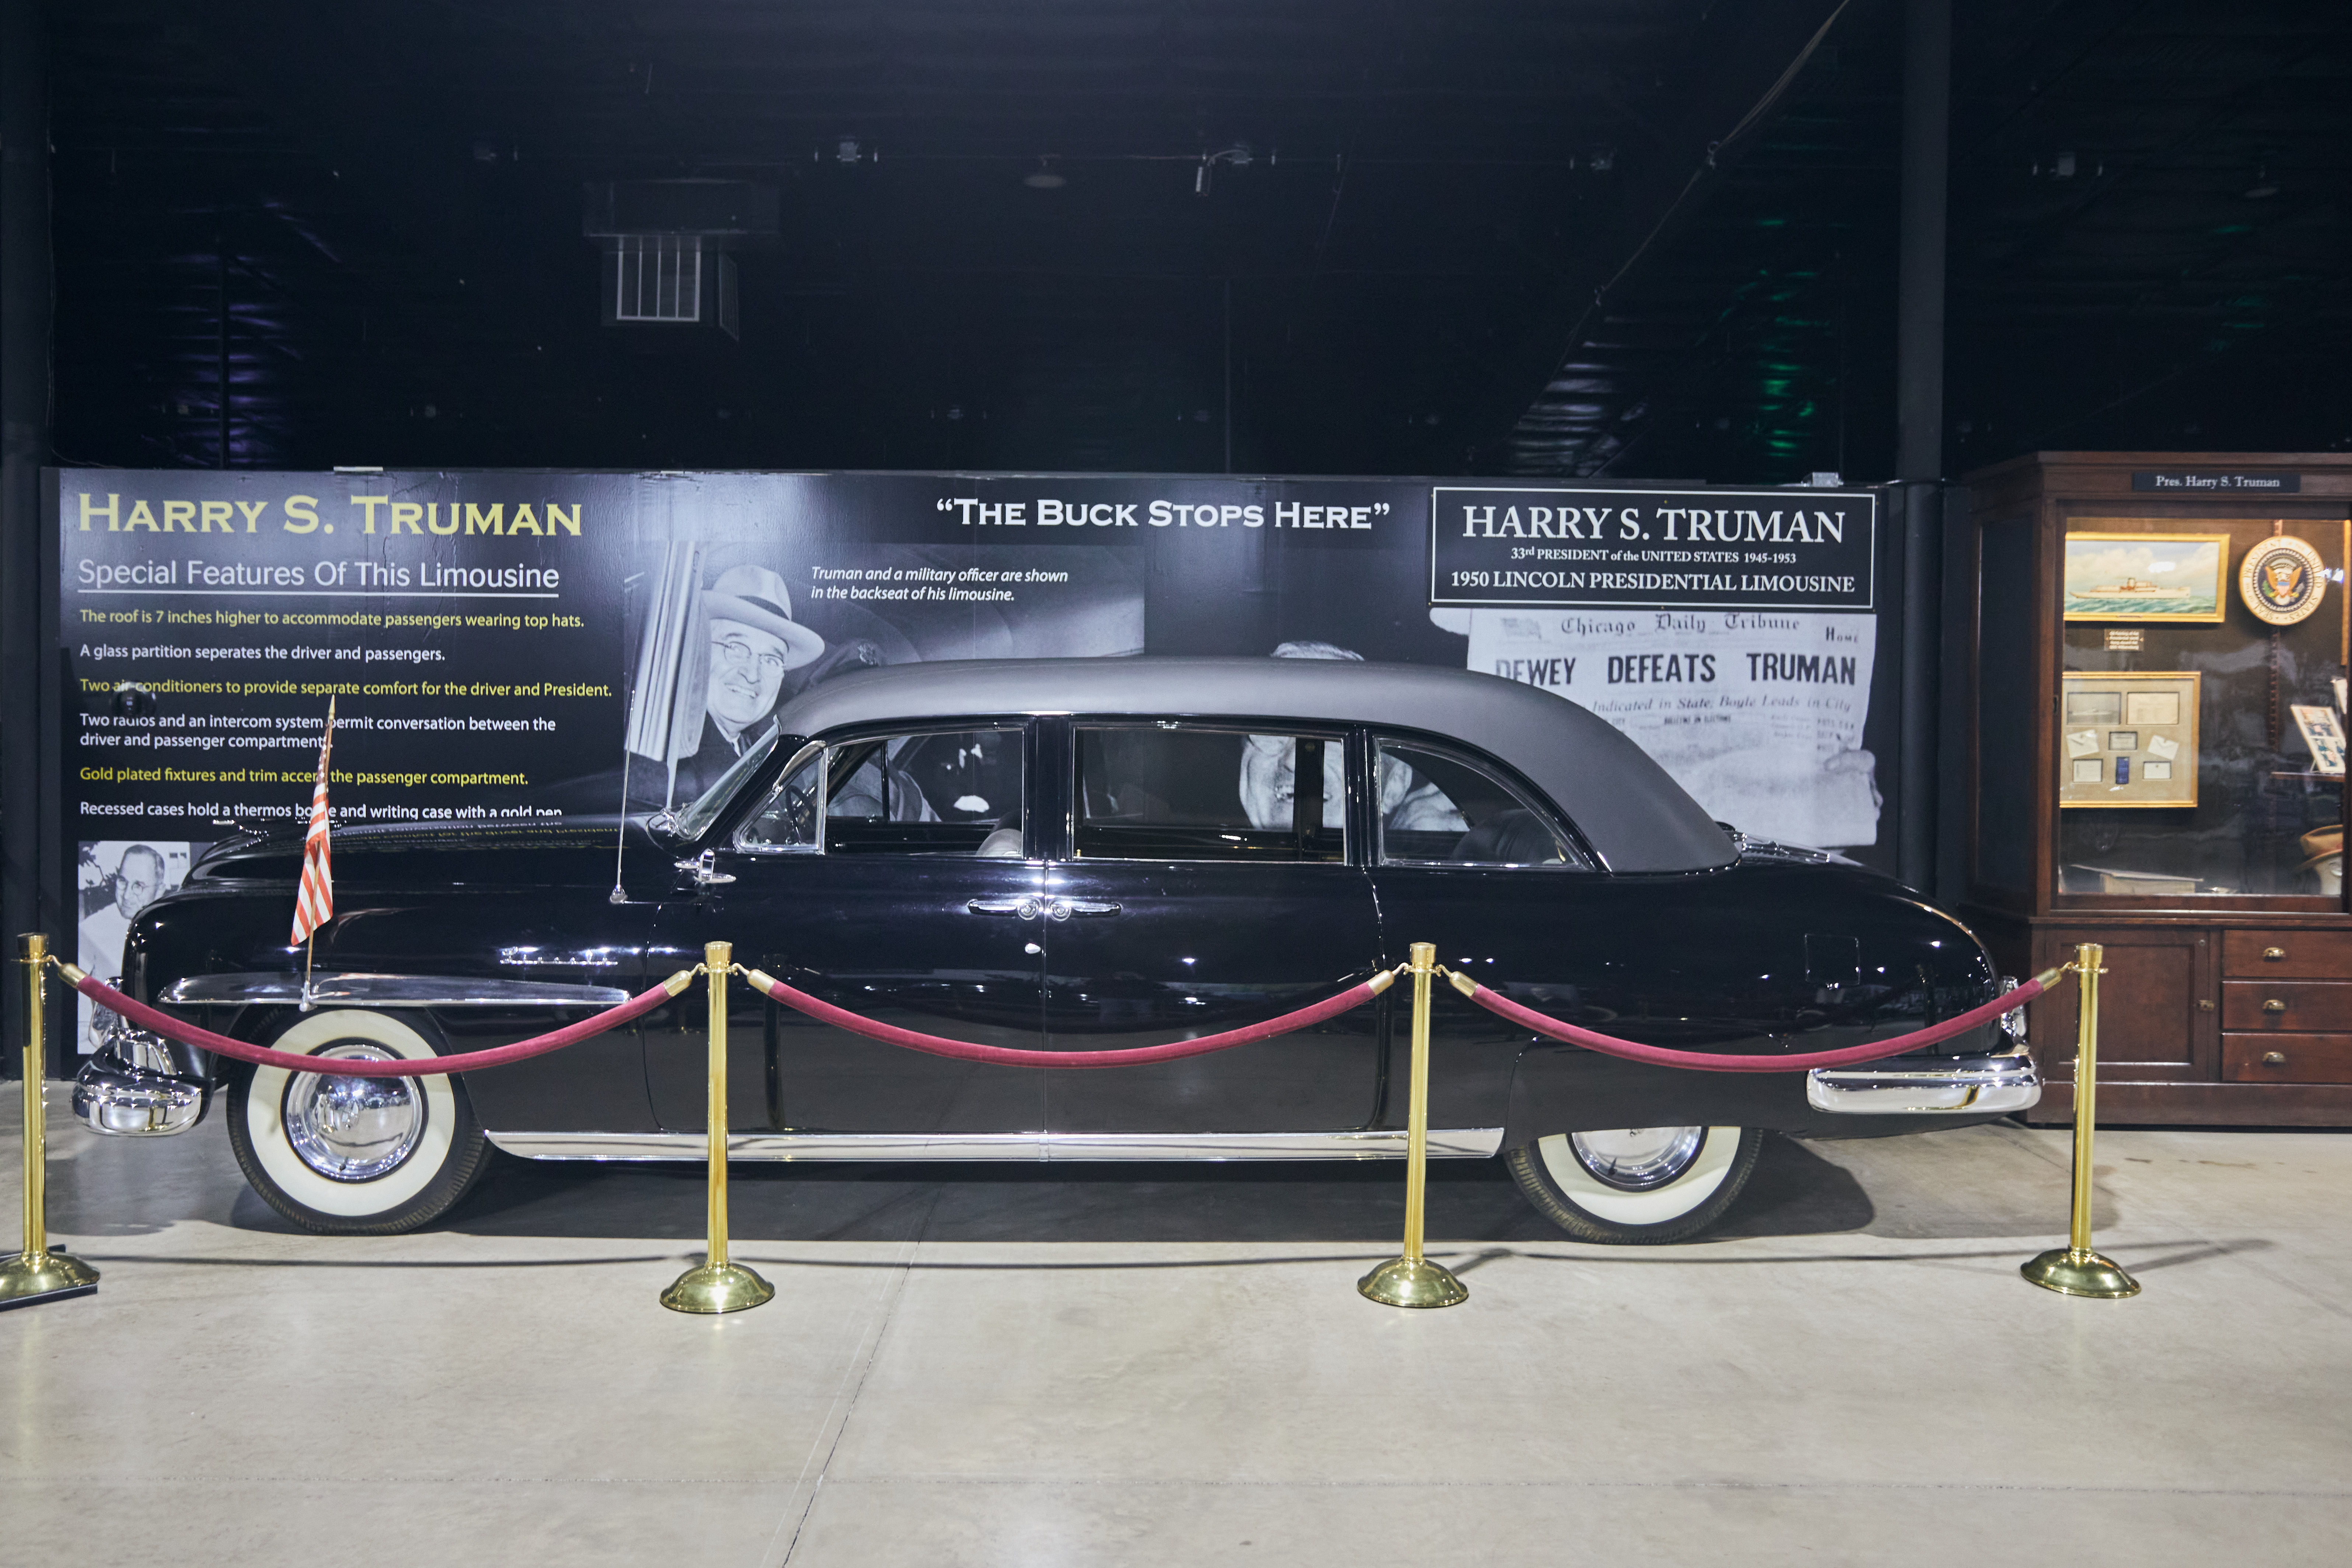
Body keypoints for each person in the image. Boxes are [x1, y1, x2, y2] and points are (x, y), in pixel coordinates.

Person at [662, 565, 824, 805]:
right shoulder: (669, 761)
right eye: (736, 648)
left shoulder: (770, 755)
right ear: (700, 653)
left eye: (770, 660)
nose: (752, 675)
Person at [79, 843, 168, 1052]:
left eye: (139, 886)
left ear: (160, 891)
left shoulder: (173, 932)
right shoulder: (90, 931)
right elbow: (81, 1022)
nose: (127, 895)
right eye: (123, 882)